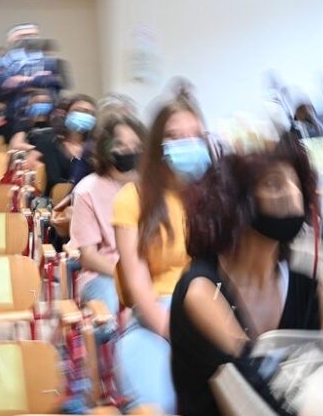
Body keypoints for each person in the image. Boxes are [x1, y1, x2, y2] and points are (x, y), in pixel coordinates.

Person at [171, 134, 323, 415]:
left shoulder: (307, 286)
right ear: (235, 200)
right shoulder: (203, 289)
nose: (293, 195)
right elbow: (255, 388)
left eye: (297, 184)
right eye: (274, 184)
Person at [112, 98, 212, 413]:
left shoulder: (214, 198)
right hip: (155, 315)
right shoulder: (133, 198)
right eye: (175, 136)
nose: (187, 144)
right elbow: (137, 281)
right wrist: (173, 331)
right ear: (158, 144)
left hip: (212, 311)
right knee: (160, 403)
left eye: (195, 136)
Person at [70, 113, 146, 318]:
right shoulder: (87, 190)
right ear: (106, 147)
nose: (129, 151)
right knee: (109, 309)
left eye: (135, 145)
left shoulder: (151, 188)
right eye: (120, 145)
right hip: (104, 273)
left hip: (149, 271)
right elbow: (89, 256)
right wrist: (128, 276)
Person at [26, 94, 97, 195]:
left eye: (87, 112)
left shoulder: (95, 147)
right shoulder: (50, 139)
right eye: (77, 110)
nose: (82, 115)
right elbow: (29, 162)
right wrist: (39, 169)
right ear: (66, 114)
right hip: (52, 199)